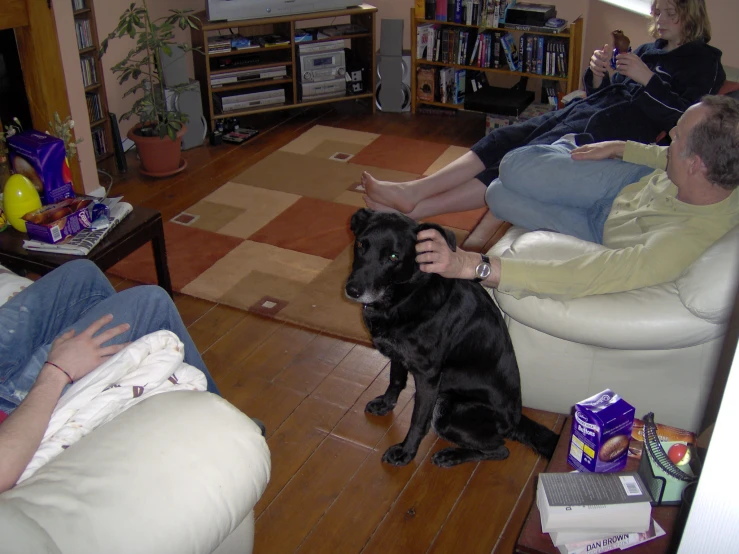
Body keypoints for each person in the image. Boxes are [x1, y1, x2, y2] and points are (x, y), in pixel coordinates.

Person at [363, 0, 725, 221]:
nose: (660, 20)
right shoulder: (649, 49)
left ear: (690, 15)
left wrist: (647, 80)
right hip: (588, 111)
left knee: (520, 160)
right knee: (503, 137)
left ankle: (416, 210)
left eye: (670, 14)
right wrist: (597, 74)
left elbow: (684, 122)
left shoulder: (705, 64)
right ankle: (413, 191)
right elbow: (607, 91)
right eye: (657, 11)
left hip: (610, 134)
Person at [414, 95, 739, 300]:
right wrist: (620, 147)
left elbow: (581, 275)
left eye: (678, 136)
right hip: (628, 181)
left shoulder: (680, 245)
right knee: (513, 167)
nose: (669, 135)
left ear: (696, 165)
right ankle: (568, 146)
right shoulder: (711, 169)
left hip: (600, 231)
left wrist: (475, 265)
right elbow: (663, 156)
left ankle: (560, 153)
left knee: (498, 195)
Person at [0, 260, 221, 493]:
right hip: (16, 418)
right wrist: (57, 371)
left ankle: (135, 378)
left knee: (82, 273)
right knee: (150, 302)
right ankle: (225, 426)